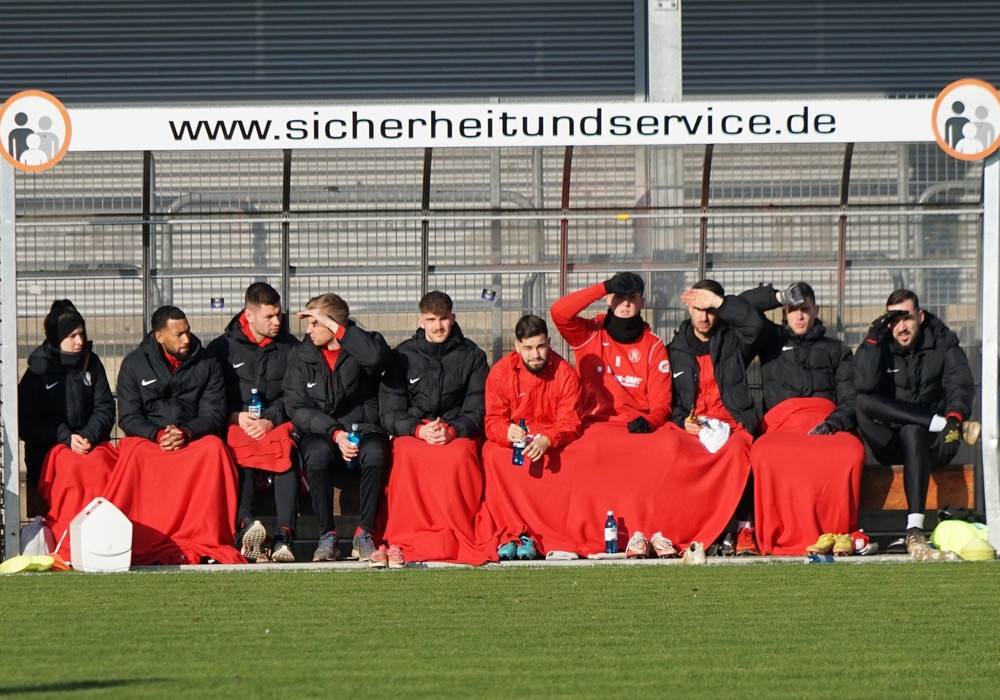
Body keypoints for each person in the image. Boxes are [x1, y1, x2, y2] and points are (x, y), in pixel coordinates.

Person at [106, 305, 243, 565]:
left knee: (214, 449)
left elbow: (214, 413)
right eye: (178, 334)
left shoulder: (207, 361)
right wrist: (157, 434)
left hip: (191, 437)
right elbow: (128, 417)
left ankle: (207, 537)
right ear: (159, 337)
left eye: (187, 331)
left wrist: (187, 432)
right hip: (150, 440)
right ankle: (139, 537)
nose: (186, 339)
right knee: (133, 452)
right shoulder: (134, 363)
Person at [744, 282, 865, 556]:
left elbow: (851, 398)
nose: (799, 316)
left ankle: (837, 533)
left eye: (805, 309)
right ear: (783, 312)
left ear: (816, 311)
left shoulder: (837, 350)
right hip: (781, 425)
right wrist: (776, 296)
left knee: (851, 451)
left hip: (826, 422)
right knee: (763, 452)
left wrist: (833, 423)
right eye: (792, 309)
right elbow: (739, 307)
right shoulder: (769, 342)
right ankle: (780, 534)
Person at [854, 289, 978, 554]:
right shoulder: (880, 342)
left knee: (912, 431)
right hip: (893, 442)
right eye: (894, 320)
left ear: (920, 317)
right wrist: (872, 338)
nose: (901, 327)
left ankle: (914, 530)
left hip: (939, 440)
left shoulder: (943, 340)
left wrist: (954, 418)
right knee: (863, 401)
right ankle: (939, 423)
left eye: (907, 318)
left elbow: (960, 384)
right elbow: (864, 385)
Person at [379, 290, 495, 565]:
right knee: (405, 452)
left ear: (453, 318)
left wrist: (452, 430)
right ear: (421, 321)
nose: (438, 326)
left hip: (456, 431)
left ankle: (458, 533)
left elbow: (478, 407)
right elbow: (389, 410)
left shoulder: (473, 355)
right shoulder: (401, 356)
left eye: (443, 319)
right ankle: (404, 536)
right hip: (415, 432)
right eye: (431, 319)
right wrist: (417, 430)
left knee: (461, 455)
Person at [282, 293, 392, 564]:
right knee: (317, 454)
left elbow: (377, 359)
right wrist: (335, 433)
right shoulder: (301, 354)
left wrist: (336, 328)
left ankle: (364, 533)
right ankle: (327, 535)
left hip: (364, 427)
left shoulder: (364, 344)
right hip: (322, 431)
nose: (308, 330)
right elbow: (297, 407)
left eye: (315, 323)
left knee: (376, 452)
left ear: (332, 325)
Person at [666, 280, 765, 555]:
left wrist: (720, 302)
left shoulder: (734, 340)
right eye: (699, 309)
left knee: (739, 451)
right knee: (674, 452)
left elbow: (756, 326)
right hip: (694, 427)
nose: (704, 317)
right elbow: (669, 400)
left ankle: (744, 529)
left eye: (710, 309)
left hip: (733, 423)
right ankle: (699, 530)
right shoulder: (674, 350)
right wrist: (681, 420)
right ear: (689, 308)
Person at [207, 282, 299, 563]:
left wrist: (271, 418)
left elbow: (296, 395)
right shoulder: (221, 349)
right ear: (248, 315)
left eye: (279, 314)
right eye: (269, 316)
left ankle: (284, 536)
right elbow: (210, 396)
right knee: (239, 445)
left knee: (285, 452)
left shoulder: (291, 348)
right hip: (238, 423)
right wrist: (233, 415)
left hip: (276, 423)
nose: (277, 321)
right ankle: (245, 527)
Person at [18, 300, 117, 553]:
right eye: (72, 336)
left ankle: (107, 538)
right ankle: (69, 541)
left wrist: (89, 435)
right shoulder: (37, 372)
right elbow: (27, 425)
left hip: (90, 443)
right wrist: (65, 437)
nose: (79, 341)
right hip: (51, 449)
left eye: (81, 333)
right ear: (57, 338)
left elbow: (105, 408)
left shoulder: (92, 363)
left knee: (102, 464)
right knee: (71, 467)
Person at [481, 315, 582, 559]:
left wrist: (548, 439)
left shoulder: (566, 373)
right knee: (491, 454)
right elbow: (493, 420)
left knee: (578, 453)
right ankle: (509, 532)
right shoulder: (500, 373)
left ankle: (554, 533)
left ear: (549, 342)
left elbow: (570, 422)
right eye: (528, 348)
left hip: (551, 441)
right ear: (517, 346)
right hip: (517, 441)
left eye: (540, 346)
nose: (535, 354)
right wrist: (506, 431)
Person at [549, 271, 672, 431]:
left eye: (632, 297)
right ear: (608, 298)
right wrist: (604, 287)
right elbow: (559, 313)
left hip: (635, 427)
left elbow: (662, 403)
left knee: (672, 442)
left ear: (642, 302)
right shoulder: (589, 333)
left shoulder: (653, 345)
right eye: (619, 296)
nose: (626, 303)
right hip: (592, 425)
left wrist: (649, 422)